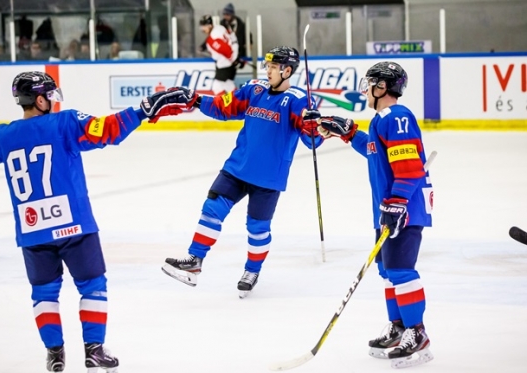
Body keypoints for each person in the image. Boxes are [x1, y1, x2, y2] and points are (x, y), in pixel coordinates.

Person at [0, 72, 194, 372]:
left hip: (32, 230)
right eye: (49, 96)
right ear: (39, 99)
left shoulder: (0, 135)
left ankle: (55, 355)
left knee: (44, 292)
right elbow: (109, 130)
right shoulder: (64, 123)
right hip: (74, 225)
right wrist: (145, 108)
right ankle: (94, 350)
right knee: (93, 285)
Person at [159, 46, 325, 298]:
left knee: (257, 228)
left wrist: (314, 126)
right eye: (267, 65)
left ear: (287, 70)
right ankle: (194, 260)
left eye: (272, 66)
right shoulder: (254, 89)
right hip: (237, 168)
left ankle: (252, 270)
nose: (267, 70)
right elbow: (222, 107)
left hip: (268, 178)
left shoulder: (299, 100)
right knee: (211, 209)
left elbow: (312, 140)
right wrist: (195, 99)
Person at [316, 61, 434, 368]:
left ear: (382, 87)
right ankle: (398, 327)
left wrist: (396, 204)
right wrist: (348, 132)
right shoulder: (382, 120)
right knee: (388, 272)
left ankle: (416, 332)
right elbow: (372, 148)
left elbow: (408, 167)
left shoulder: (397, 116)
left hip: (403, 210)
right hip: (388, 209)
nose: (365, 89)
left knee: (401, 271)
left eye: (370, 83)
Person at [198, 15, 238, 95]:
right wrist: (236, 56)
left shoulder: (212, 39)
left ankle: (227, 105)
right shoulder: (219, 27)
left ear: (210, 25)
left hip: (225, 65)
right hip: (229, 61)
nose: (203, 29)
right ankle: (240, 101)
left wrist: (233, 60)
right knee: (228, 86)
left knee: (217, 87)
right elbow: (232, 37)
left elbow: (226, 50)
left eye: (204, 27)